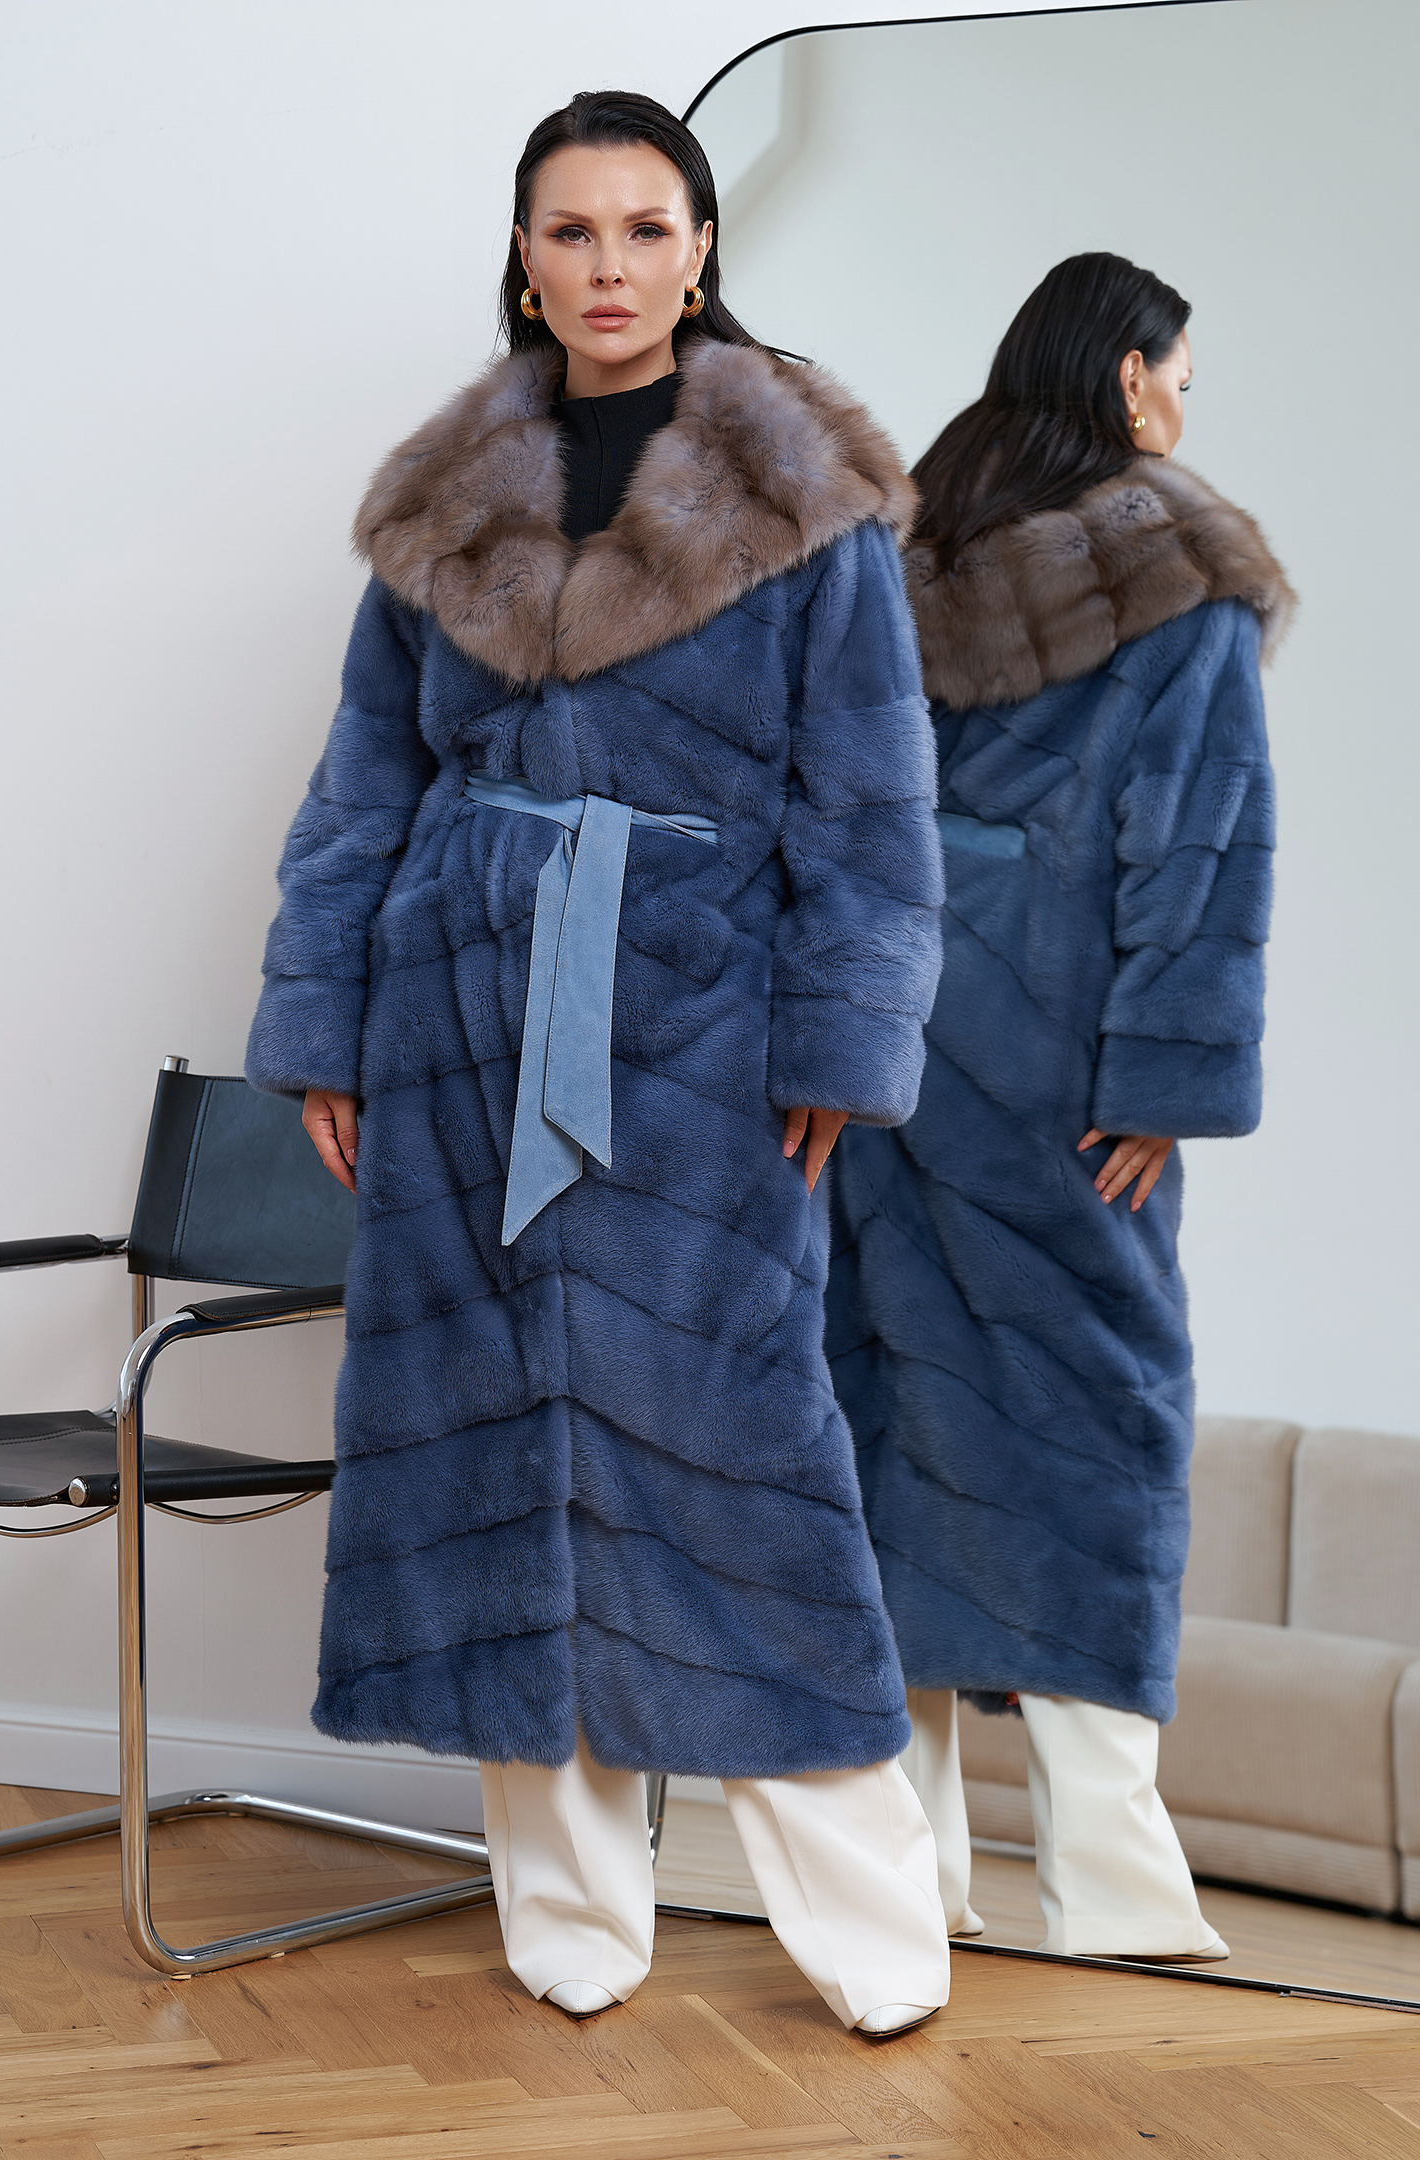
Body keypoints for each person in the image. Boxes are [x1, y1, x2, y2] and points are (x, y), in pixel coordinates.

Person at [246, 90, 951, 2034]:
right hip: (462, 1016)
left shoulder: (806, 500)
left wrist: (839, 1037)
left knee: (746, 1474)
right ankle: (570, 1916)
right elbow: (363, 786)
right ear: (527, 256)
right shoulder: (445, 506)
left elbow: (875, 802)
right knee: (493, 1458)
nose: (611, 266)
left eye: (647, 228)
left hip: (700, 1025)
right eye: (573, 231)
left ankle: (875, 1934)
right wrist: (329, 1025)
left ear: (702, 250)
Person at [827, 253, 1294, 1959]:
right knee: (1101, 1435)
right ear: (1123, 378)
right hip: (1060, 1071)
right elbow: (1203, 850)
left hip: (883, 1060)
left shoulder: (906, 549)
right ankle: (1114, 1886)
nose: (1183, 404)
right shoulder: (1182, 577)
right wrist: (1164, 1080)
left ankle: (910, 1878)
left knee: (891, 1422)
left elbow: (836, 810)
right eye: (1179, 374)